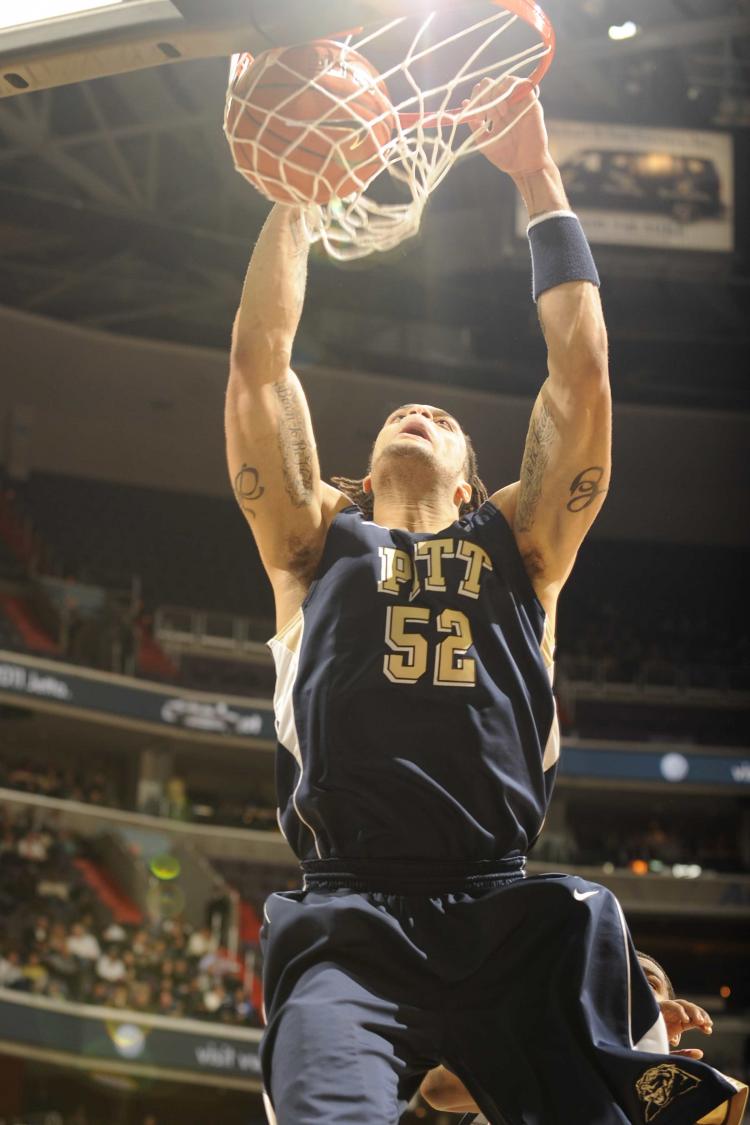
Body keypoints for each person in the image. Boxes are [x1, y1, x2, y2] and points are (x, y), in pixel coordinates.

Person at [225, 76, 738, 1124]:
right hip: (347, 915)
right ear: (359, 474)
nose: (422, 407)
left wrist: (536, 175)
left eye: (448, 417)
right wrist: (298, 191)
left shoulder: (523, 543)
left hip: (510, 910)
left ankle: (594, 1056)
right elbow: (259, 367)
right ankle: (541, 1058)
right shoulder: (313, 542)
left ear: (476, 480)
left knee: (593, 941)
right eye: (403, 411)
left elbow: (582, 379)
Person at [419, 950, 742, 1121]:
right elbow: (438, 1088)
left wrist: (666, 1092)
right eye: (617, 981)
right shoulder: (544, 1057)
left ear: (675, 1035)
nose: (635, 994)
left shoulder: (687, 1100)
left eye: (649, 984)